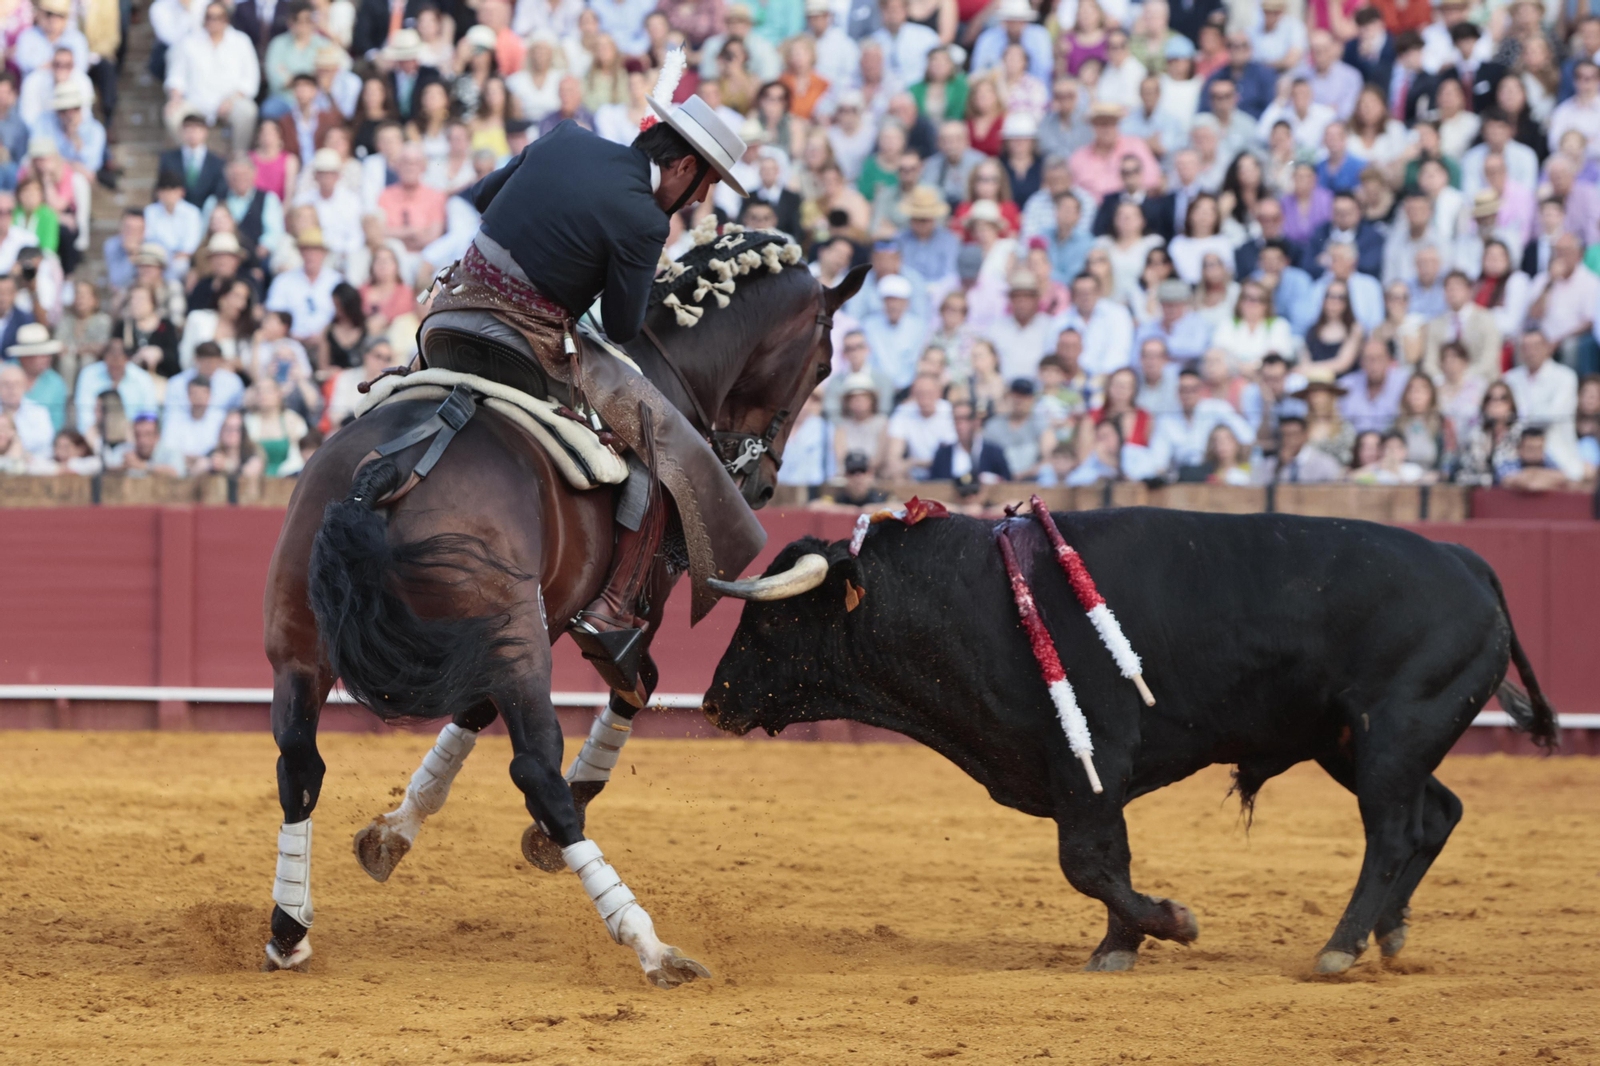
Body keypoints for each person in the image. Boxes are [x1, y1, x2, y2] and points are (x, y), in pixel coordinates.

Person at [416, 85, 766, 695]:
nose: (697, 200)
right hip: (523, 350)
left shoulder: (565, 136)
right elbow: (626, 326)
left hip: (442, 321)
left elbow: (482, 196)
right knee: (658, 447)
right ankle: (610, 604)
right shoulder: (644, 219)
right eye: (704, 186)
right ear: (683, 166)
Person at [929, 398, 1011, 482]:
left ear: (976, 421)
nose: (960, 425)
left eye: (965, 419)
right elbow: (934, 486)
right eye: (956, 419)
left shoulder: (994, 453)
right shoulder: (943, 454)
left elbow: (1008, 484)